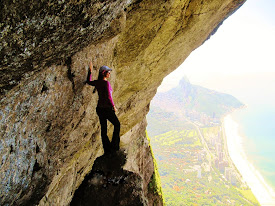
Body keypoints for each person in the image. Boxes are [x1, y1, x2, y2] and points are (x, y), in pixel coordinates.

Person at [86, 61, 120, 154]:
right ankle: (114, 146)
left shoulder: (98, 82)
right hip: (107, 108)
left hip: (100, 109)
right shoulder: (106, 83)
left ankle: (107, 149)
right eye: (108, 72)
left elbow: (89, 82)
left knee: (103, 129)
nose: (109, 73)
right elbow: (109, 97)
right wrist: (114, 107)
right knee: (117, 124)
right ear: (103, 73)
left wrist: (90, 72)